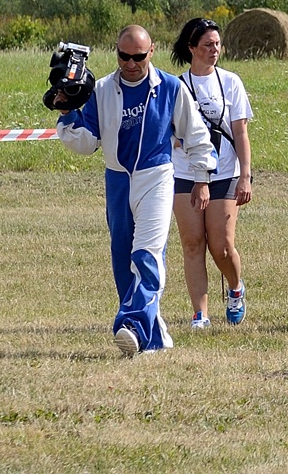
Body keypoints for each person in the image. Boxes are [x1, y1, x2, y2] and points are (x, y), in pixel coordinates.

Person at [55, 25, 216, 357]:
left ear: (151, 51)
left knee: (147, 254)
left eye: (138, 57)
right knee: (121, 260)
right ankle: (153, 338)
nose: (130, 63)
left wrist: (202, 178)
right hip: (116, 179)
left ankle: (130, 325)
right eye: (124, 56)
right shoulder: (100, 90)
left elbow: (197, 135)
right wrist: (67, 111)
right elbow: (87, 143)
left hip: (156, 178)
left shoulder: (171, 88)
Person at [170, 18, 253, 329]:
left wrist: (245, 175)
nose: (214, 49)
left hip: (225, 174)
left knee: (221, 245)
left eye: (217, 44)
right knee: (192, 243)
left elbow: (241, 132)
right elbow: (165, 129)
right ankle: (200, 314)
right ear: (191, 48)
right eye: (207, 45)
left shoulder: (231, 82)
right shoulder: (175, 85)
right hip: (184, 173)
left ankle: (235, 288)